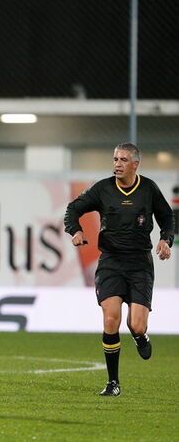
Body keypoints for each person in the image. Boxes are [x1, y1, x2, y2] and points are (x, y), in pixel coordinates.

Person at [64, 142, 173, 397]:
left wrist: (166, 239)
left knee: (136, 325)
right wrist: (76, 230)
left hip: (139, 264)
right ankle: (113, 383)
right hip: (111, 262)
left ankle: (140, 336)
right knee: (111, 319)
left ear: (135, 164)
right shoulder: (103, 189)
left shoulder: (148, 189)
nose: (117, 164)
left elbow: (167, 216)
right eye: (115, 159)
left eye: (123, 160)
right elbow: (73, 209)